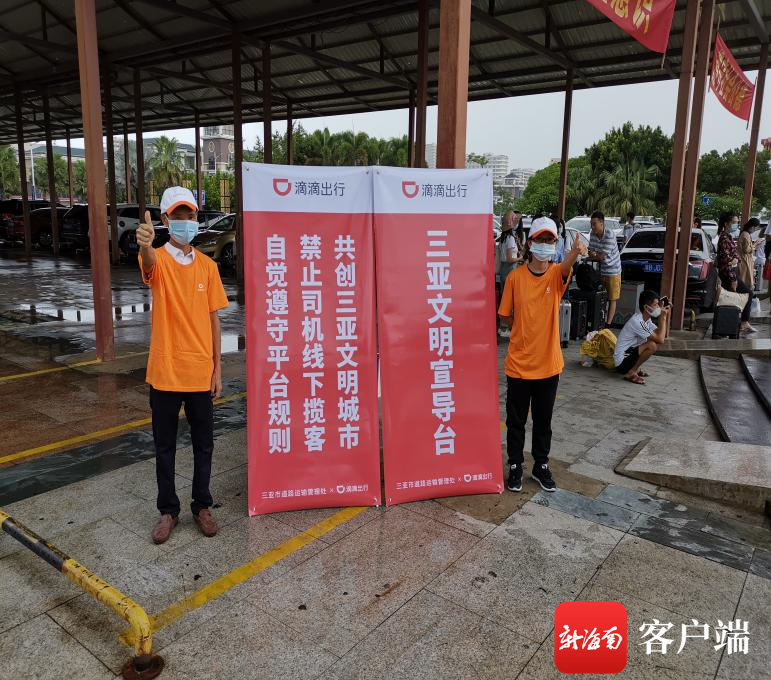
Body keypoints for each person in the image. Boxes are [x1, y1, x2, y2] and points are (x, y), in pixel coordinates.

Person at [137, 187, 229, 544]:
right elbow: (148, 264)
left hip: (200, 372)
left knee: (204, 444)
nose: (186, 222)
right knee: (165, 446)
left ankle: (201, 505)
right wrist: (145, 244)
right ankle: (168, 511)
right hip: (165, 372)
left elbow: (214, 320)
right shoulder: (159, 260)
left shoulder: (208, 266)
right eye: (178, 216)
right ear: (165, 220)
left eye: (190, 215)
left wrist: (217, 369)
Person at [498, 216, 587, 493]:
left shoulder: (556, 275)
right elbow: (506, 316)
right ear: (530, 243)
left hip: (549, 364)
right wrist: (523, 329)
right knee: (515, 421)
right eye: (541, 239)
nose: (545, 245)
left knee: (543, 420)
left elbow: (566, 266)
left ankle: (541, 465)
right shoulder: (515, 278)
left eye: (550, 240)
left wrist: (575, 251)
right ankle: (515, 465)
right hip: (519, 364)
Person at [614, 290, 670, 385]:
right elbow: (660, 339)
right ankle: (631, 372)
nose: (658, 308)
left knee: (652, 341)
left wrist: (663, 316)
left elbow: (660, 333)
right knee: (652, 345)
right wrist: (663, 318)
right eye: (656, 305)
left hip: (629, 356)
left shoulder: (646, 320)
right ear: (646, 307)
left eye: (658, 305)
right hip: (622, 363)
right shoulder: (638, 322)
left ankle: (635, 368)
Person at [715, 211, 756, 334]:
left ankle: (740, 322)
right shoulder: (724, 238)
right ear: (726, 223)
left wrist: (734, 260)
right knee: (748, 293)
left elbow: (736, 256)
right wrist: (733, 279)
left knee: (737, 297)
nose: (736, 224)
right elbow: (726, 261)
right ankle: (743, 322)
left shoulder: (728, 237)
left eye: (737, 222)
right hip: (728, 275)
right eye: (734, 222)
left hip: (730, 273)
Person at [588, 210, 622, 327]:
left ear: (601, 223)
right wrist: (594, 254)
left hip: (613, 271)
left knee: (612, 298)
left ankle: (608, 324)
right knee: (600, 297)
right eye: (591, 224)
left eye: (594, 224)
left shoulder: (609, 234)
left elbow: (601, 257)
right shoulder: (592, 234)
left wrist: (595, 254)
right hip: (601, 271)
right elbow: (589, 251)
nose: (592, 227)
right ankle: (599, 321)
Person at [497, 210, 523, 337]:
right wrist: (520, 258)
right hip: (510, 269)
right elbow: (510, 259)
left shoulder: (503, 238)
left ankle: (503, 327)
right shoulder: (511, 239)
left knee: (504, 298)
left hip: (503, 270)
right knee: (511, 300)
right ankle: (506, 327)